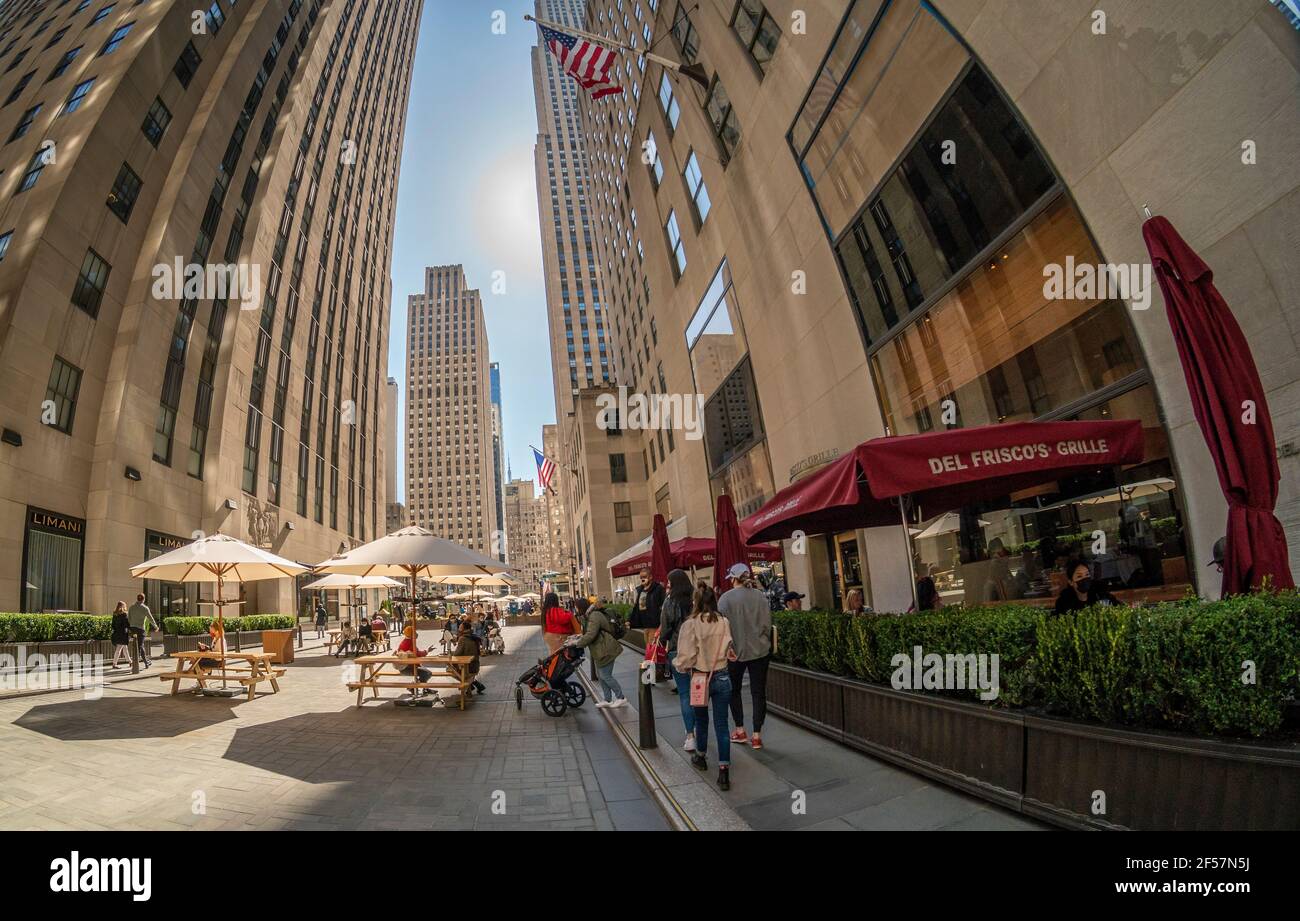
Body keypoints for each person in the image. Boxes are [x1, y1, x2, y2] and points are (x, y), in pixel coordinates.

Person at [674, 582, 736, 791]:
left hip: (700, 677)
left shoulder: (691, 624)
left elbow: (686, 656)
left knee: (701, 720)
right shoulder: (724, 621)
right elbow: (729, 646)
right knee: (722, 724)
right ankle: (724, 771)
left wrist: (679, 666)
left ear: (697, 601)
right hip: (723, 675)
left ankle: (700, 756)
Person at [717, 563, 772, 751]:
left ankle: (740, 730)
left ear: (733, 578)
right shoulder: (760, 597)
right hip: (760, 651)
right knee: (758, 692)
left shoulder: (724, 599)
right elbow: (766, 625)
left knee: (734, 690)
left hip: (734, 652)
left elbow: (720, 628)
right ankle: (757, 735)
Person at [659, 569, 695, 743]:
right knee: (699, 692)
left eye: (669, 582)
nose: (667, 585)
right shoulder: (695, 599)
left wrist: (663, 640)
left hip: (677, 649)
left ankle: (690, 734)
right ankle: (699, 730)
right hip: (697, 650)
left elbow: (665, 627)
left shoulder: (670, 601)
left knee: (685, 694)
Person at [570, 598, 626, 709]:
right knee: (601, 675)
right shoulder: (588, 615)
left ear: (581, 607)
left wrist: (577, 643)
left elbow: (591, 634)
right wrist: (577, 638)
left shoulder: (594, 616)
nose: (575, 609)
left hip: (606, 649)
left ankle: (621, 697)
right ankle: (607, 699)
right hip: (600, 649)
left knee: (605, 675)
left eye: (576, 607)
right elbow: (588, 633)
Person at [396, 625, 444, 705]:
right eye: (414, 632)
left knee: (423, 671)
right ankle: (418, 687)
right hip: (408, 667)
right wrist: (427, 651)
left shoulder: (405, 641)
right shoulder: (409, 643)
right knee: (427, 673)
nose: (416, 633)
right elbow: (417, 654)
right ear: (411, 634)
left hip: (405, 667)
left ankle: (419, 687)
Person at [1053, 559, 1121, 615]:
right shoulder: (1064, 603)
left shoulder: (1100, 594)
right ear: (1071, 582)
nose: (1084, 579)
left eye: (1087, 574)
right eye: (1079, 576)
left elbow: (1119, 608)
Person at [453, 620, 487, 695]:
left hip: (469, 666)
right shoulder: (474, 637)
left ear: (463, 629)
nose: (458, 628)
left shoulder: (462, 638)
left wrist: (451, 655)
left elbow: (457, 654)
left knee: (451, 669)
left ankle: (469, 687)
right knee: (464, 674)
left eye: (460, 627)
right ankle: (473, 685)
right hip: (475, 665)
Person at [126, 593, 157, 668]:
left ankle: (138, 662)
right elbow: (150, 618)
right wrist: (155, 626)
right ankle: (145, 662)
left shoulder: (131, 607)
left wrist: (130, 627)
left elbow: (129, 619)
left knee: (135, 645)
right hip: (140, 629)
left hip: (133, 629)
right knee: (140, 645)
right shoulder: (145, 608)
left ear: (137, 599)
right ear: (144, 599)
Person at [110, 602, 131, 669]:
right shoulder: (124, 614)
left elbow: (112, 624)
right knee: (119, 648)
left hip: (117, 633)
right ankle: (114, 663)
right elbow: (126, 624)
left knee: (125, 648)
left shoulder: (115, 614)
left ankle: (130, 661)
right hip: (123, 634)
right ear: (123, 606)